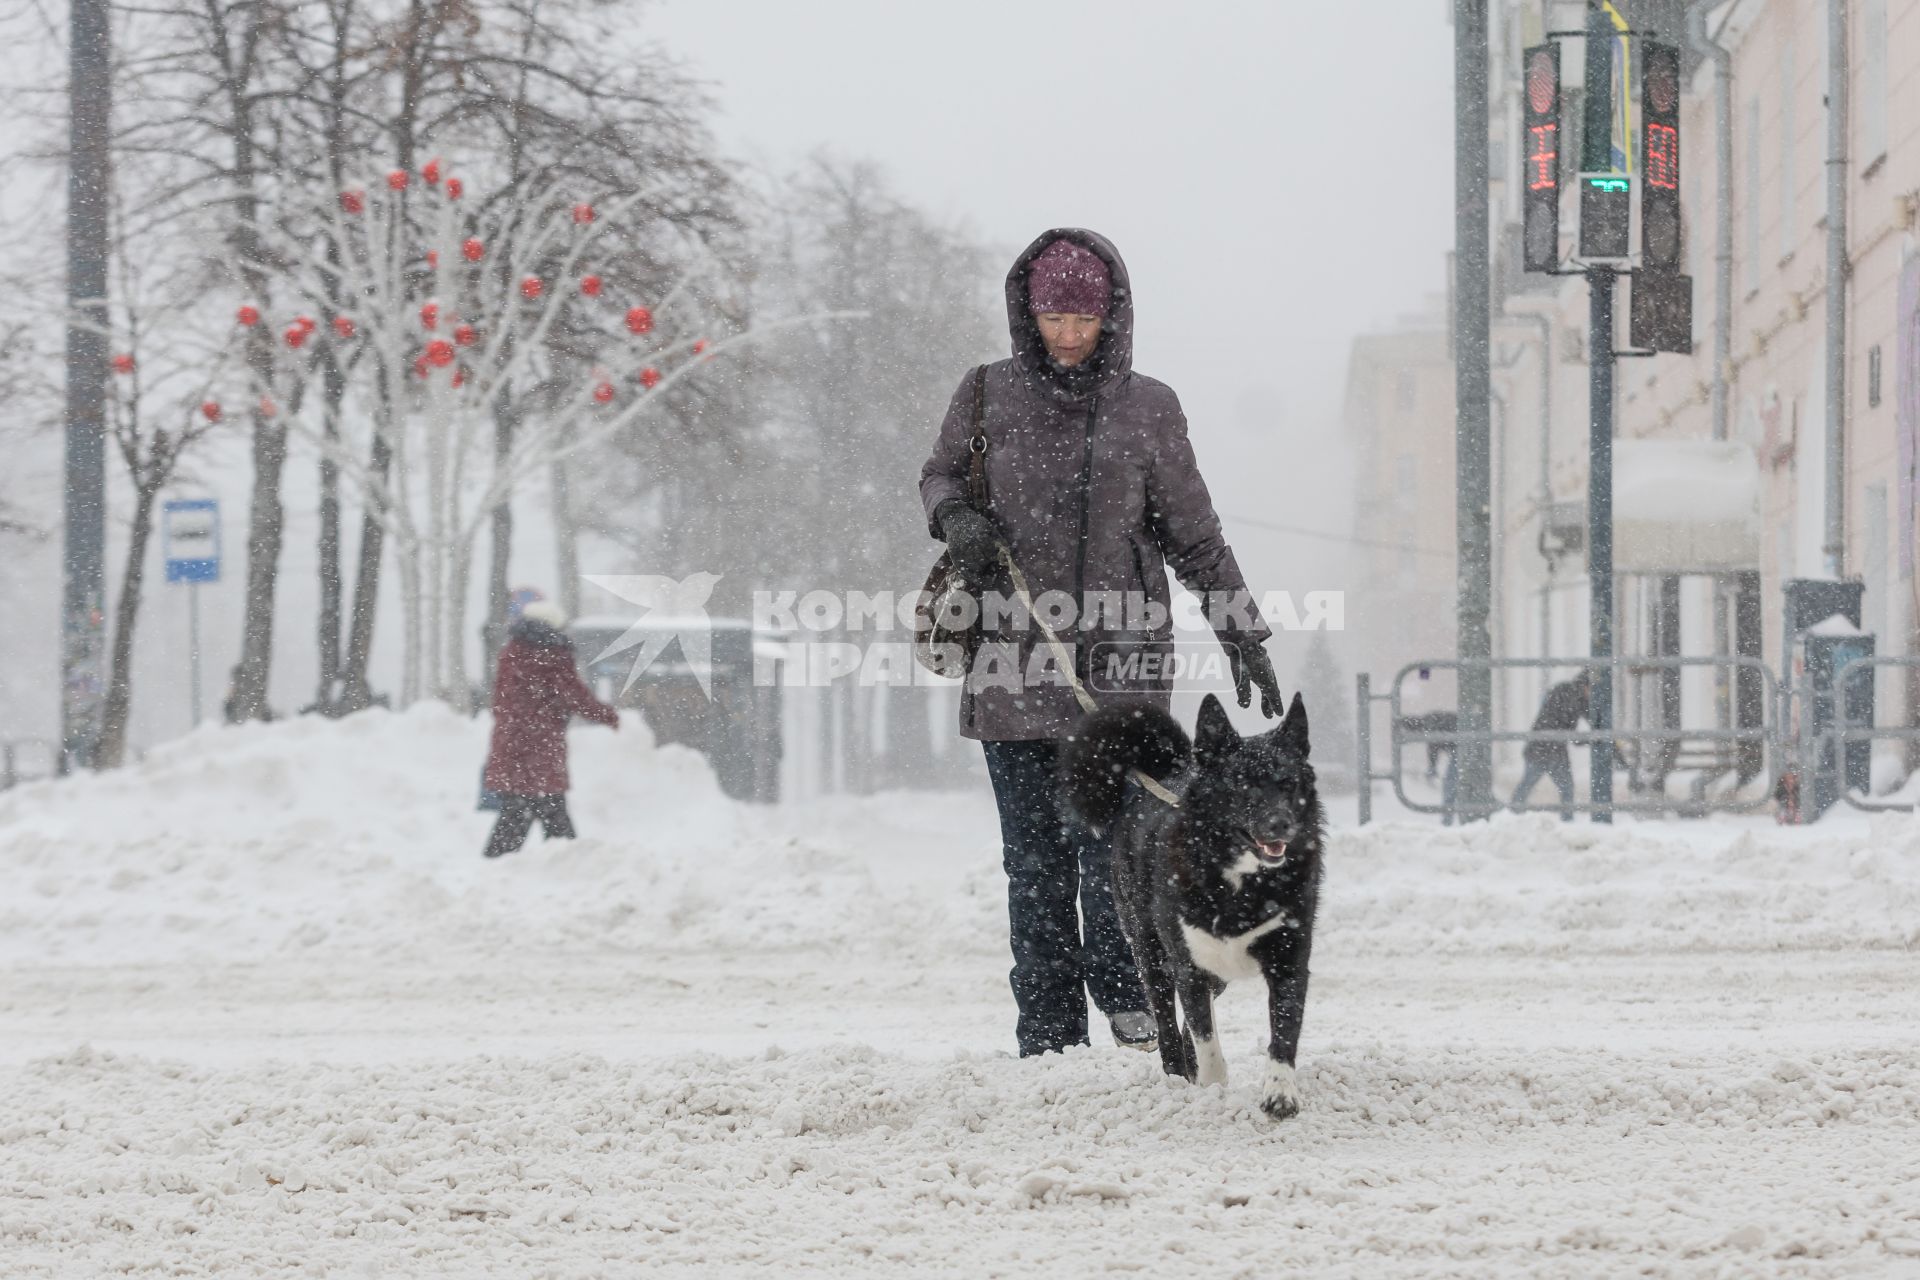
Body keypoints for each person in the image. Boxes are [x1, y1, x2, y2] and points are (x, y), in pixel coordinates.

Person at [919, 229, 1283, 1059]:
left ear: (1111, 312)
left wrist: (1241, 632)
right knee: (1035, 870)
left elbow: (1194, 534)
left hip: (1120, 684)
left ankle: (1131, 1012)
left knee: (1115, 859)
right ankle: (1047, 1037)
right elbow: (938, 474)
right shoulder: (984, 395)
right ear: (1029, 312)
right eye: (1054, 316)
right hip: (1014, 662)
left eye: (1084, 316)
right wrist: (956, 517)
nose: (1070, 334)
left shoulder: (1147, 408)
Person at [481, 600, 620, 859]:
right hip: (538, 746)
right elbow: (574, 695)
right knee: (549, 809)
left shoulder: (510, 652)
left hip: (511, 743)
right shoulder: (552, 655)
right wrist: (609, 717)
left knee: (519, 811)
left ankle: (496, 868)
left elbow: (501, 700)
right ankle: (569, 862)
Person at [1513, 671, 1592, 821]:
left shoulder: (1566, 692)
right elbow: (1569, 730)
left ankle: (1512, 817)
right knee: (1565, 788)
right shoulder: (1574, 698)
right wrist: (1591, 739)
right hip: (1550, 750)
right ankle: (1567, 821)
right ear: (1586, 686)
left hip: (1540, 748)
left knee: (1527, 786)